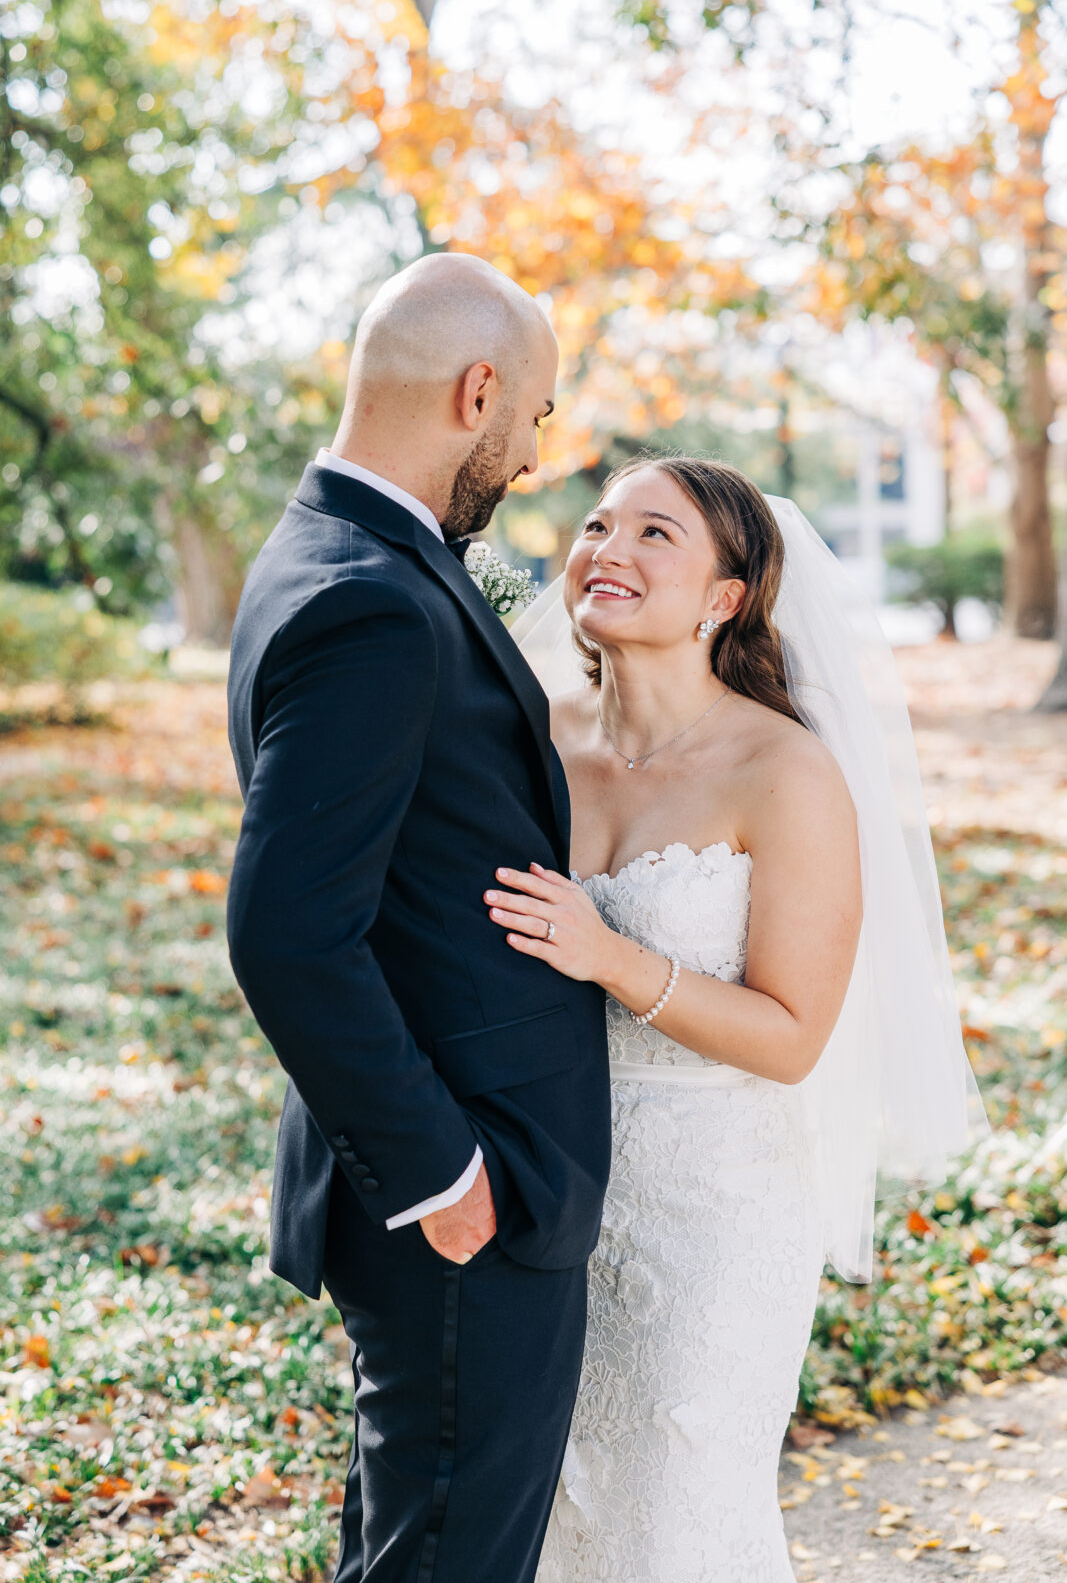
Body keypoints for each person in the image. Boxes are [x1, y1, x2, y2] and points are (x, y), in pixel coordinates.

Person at [487, 454, 987, 1581]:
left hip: (711, 1209)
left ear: (725, 598)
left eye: (653, 535)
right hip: (547, 1185)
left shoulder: (784, 771)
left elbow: (792, 1032)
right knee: (552, 1517)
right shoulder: (534, 740)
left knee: (673, 1513)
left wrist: (612, 957)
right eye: (597, 524)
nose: (606, 549)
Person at [225, 253, 611, 1583]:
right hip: (463, 1188)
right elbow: (283, 930)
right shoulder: (368, 598)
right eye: (533, 423)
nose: (525, 459)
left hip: (460, 1172)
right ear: (478, 390)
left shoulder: (338, 551)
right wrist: (443, 1174)